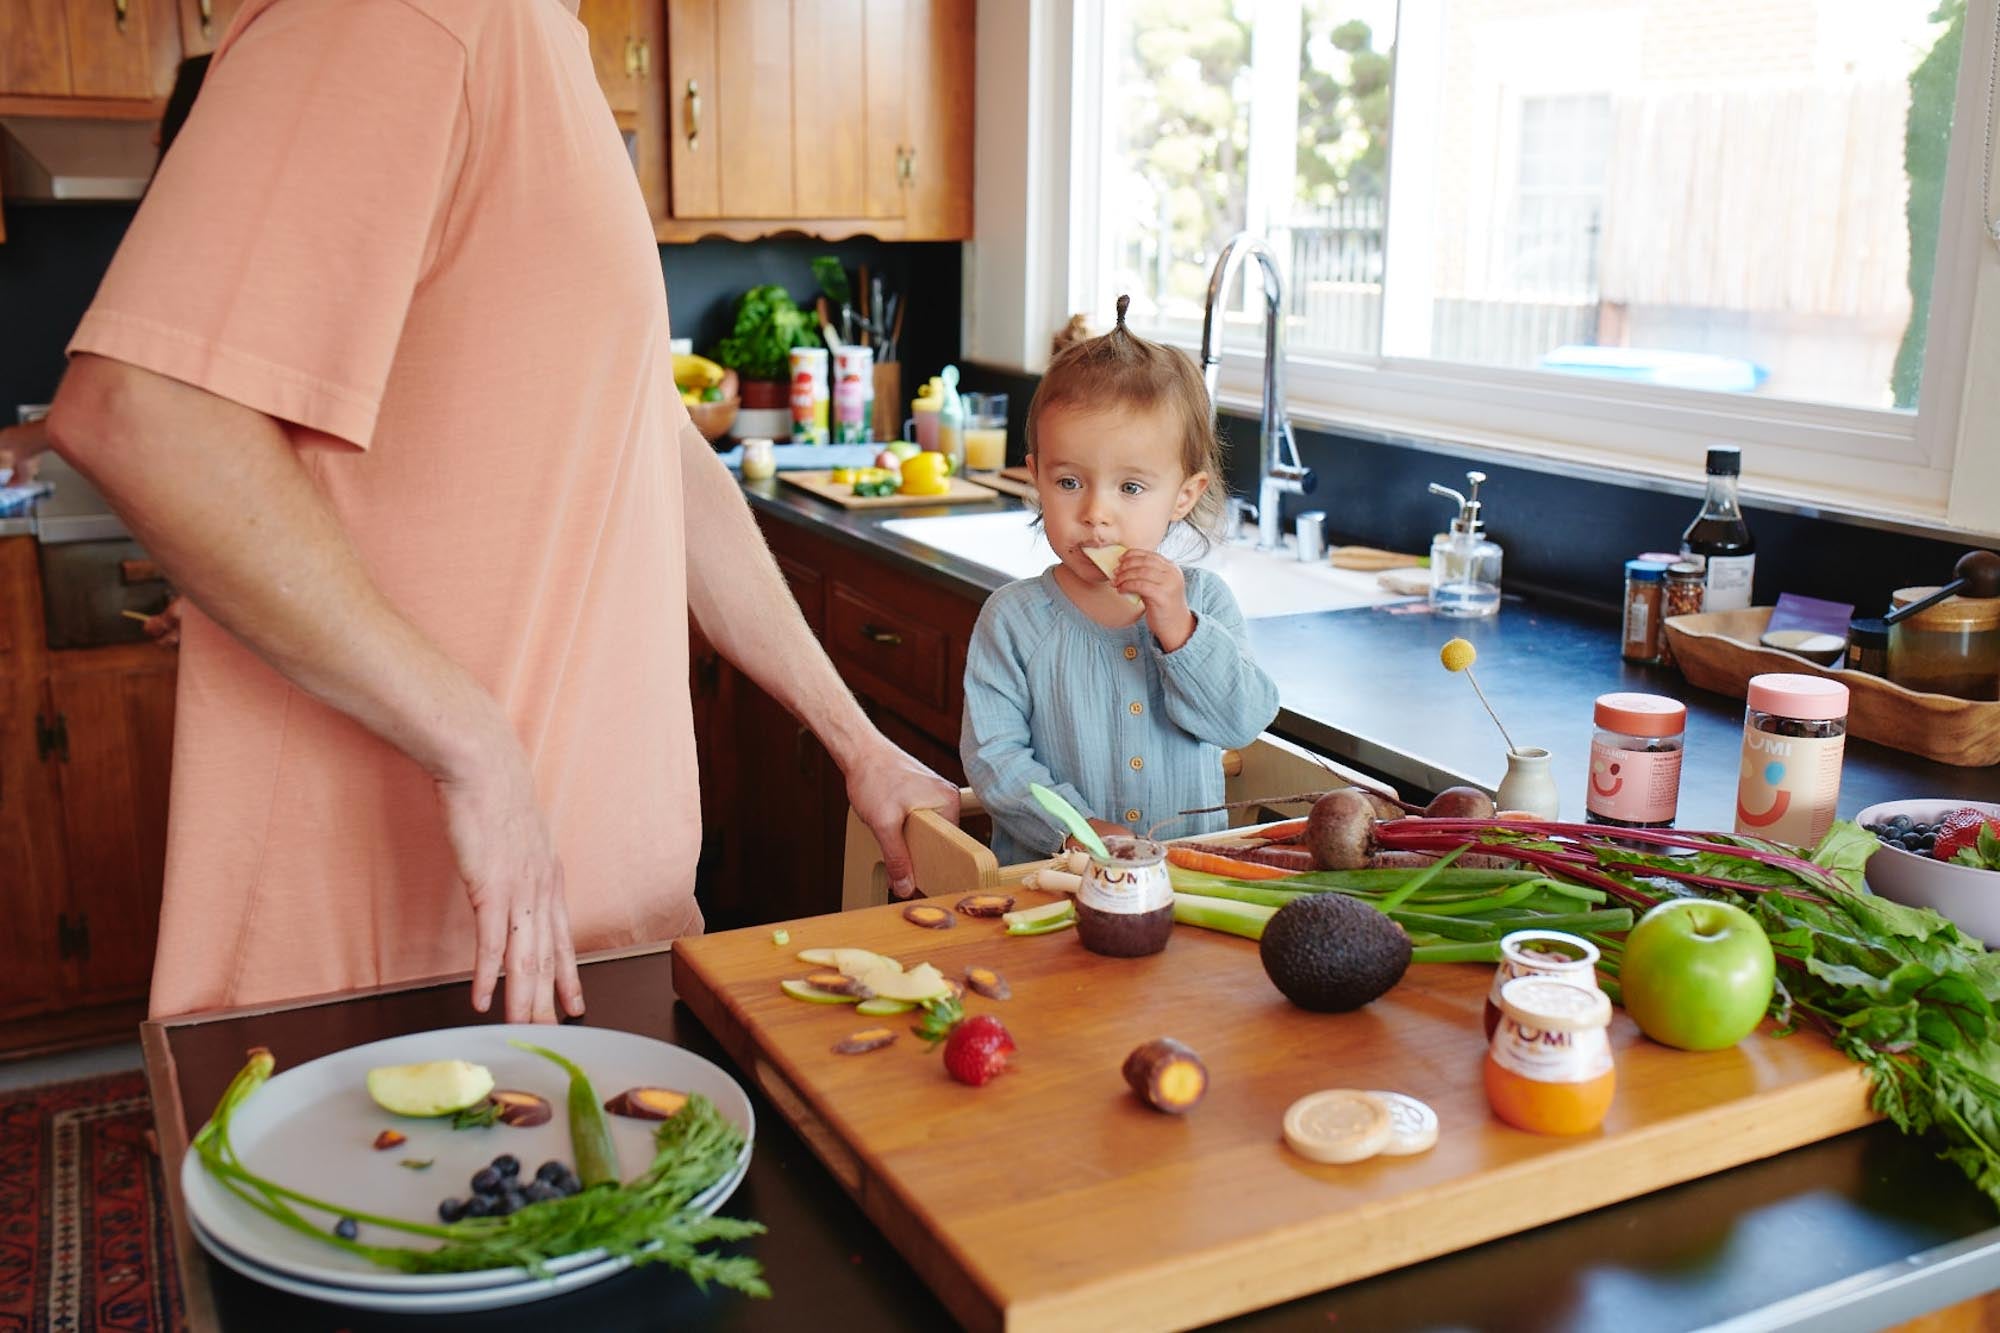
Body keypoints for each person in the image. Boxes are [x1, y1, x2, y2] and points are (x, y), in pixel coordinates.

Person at [41, 0, 957, 1024]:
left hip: (584, 939)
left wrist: (856, 740)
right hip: (402, 967)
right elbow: (143, 413)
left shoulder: (539, 42)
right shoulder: (402, 15)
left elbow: (645, 443)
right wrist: (474, 742)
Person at [960, 296, 1280, 864]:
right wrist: (1081, 828)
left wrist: (1180, 631)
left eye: (1130, 488)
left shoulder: (1204, 602)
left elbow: (1241, 723)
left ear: (1184, 495)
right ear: (1035, 477)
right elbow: (995, 760)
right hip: (1051, 883)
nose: (1096, 513)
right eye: (1068, 483)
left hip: (1182, 885)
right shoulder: (1012, 620)